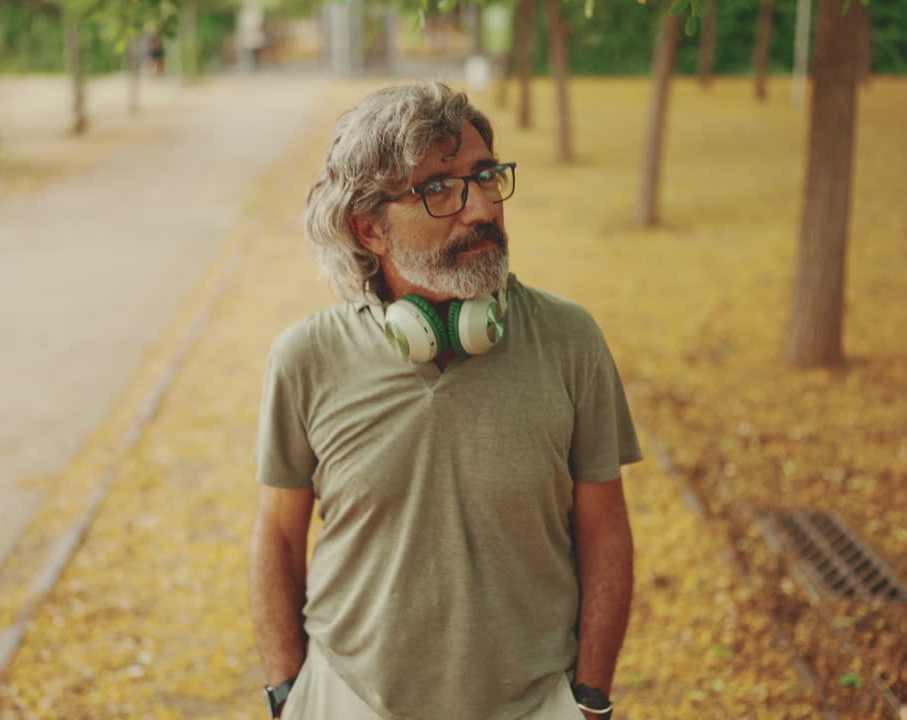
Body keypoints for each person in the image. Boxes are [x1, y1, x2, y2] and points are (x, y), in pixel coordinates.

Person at [249, 81, 641, 720]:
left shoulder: (571, 339)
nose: (481, 207)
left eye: (486, 176)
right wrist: (289, 693)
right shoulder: (304, 359)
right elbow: (278, 539)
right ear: (369, 229)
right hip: (347, 698)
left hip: (537, 701)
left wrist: (589, 698)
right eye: (438, 188)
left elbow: (604, 532)